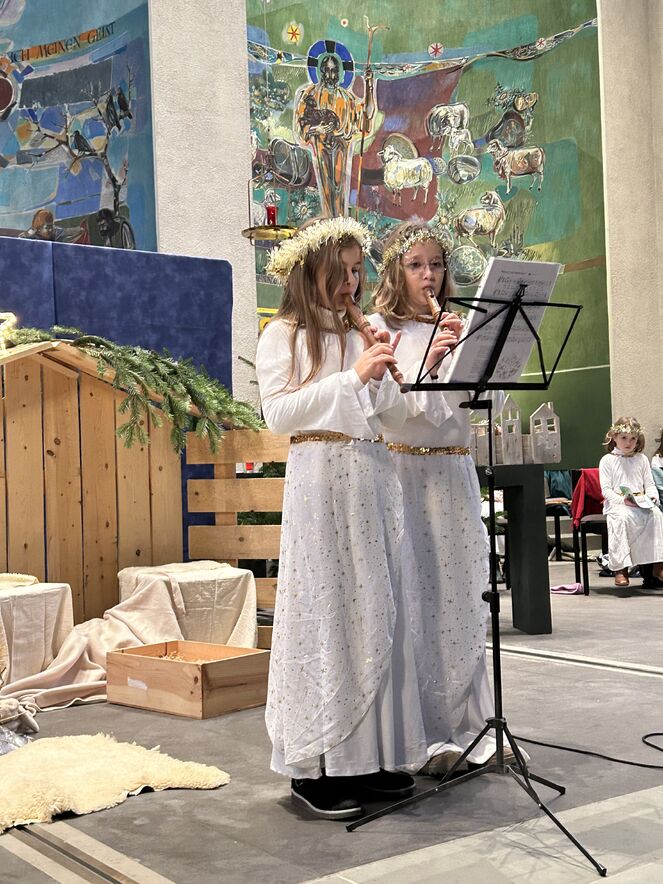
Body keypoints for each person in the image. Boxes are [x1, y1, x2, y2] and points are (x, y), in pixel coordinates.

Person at [255, 216, 429, 821]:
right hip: (320, 482)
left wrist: (382, 375)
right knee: (328, 613)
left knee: (375, 611)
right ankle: (316, 765)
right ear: (311, 272)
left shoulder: (362, 330)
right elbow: (278, 414)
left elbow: (394, 415)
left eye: (358, 271)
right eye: (342, 272)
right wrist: (352, 377)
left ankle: (369, 758)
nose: (353, 284)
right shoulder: (282, 333)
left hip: (370, 479)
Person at [369, 222, 497, 775]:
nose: (429, 275)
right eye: (416, 265)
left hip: (455, 472)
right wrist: (435, 363)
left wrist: (473, 359)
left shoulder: (457, 325)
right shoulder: (379, 328)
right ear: (395, 271)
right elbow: (392, 408)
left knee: (461, 595)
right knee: (415, 599)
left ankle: (469, 723)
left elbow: (480, 405)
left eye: (437, 265)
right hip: (406, 474)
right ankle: (419, 734)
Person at [294, 51, 374, 217]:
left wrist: (369, 85)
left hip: (340, 148)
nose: (330, 75)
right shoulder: (311, 94)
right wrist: (317, 129)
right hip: (321, 146)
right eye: (327, 70)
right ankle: (329, 221)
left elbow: (366, 115)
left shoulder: (346, 98)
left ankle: (339, 221)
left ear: (339, 73)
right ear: (321, 72)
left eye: (334, 71)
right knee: (326, 187)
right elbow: (301, 124)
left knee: (339, 188)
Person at [599, 417, 663, 587]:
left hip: (640, 503)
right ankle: (621, 569)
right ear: (614, 437)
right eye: (624, 438)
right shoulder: (607, 460)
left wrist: (652, 497)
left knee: (657, 515)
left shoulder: (641, 459)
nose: (628, 442)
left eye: (633, 438)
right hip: (618, 504)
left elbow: (650, 484)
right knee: (621, 519)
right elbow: (606, 490)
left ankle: (658, 566)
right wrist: (623, 500)